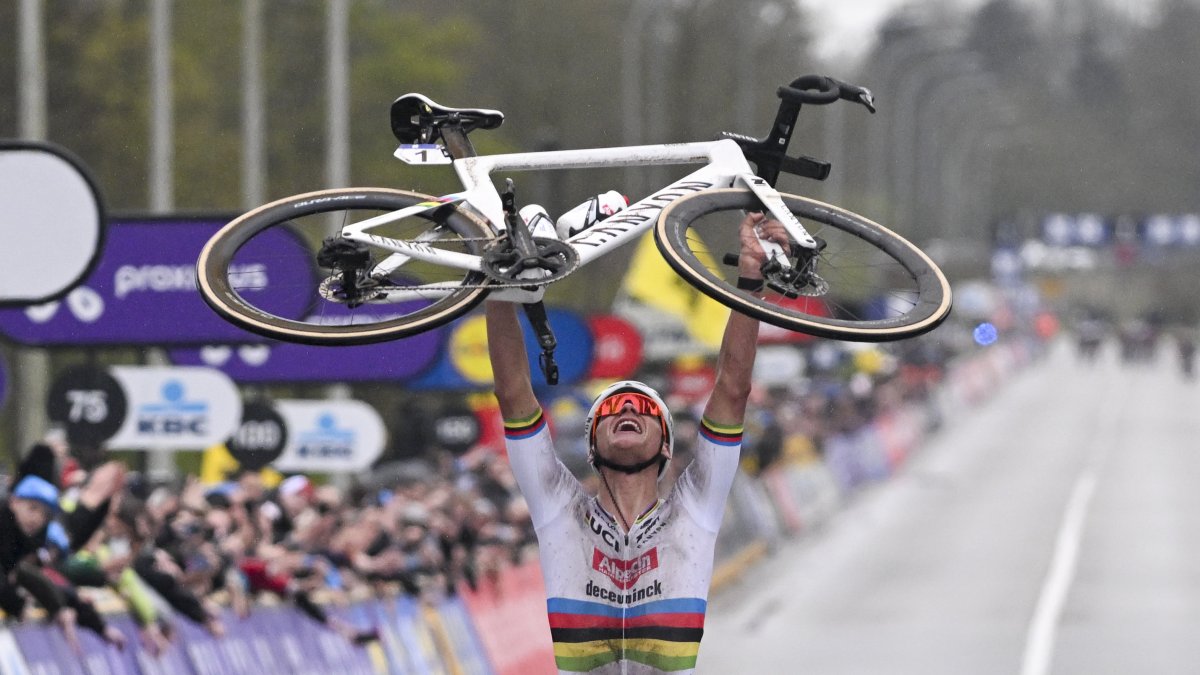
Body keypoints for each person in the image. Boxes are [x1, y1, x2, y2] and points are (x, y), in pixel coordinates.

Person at [486, 212, 780, 673]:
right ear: (591, 445)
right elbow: (513, 393)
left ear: (666, 446)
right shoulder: (558, 508)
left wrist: (750, 277)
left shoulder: (695, 507)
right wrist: (499, 289)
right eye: (611, 410)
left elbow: (732, 388)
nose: (626, 410)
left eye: (643, 410)